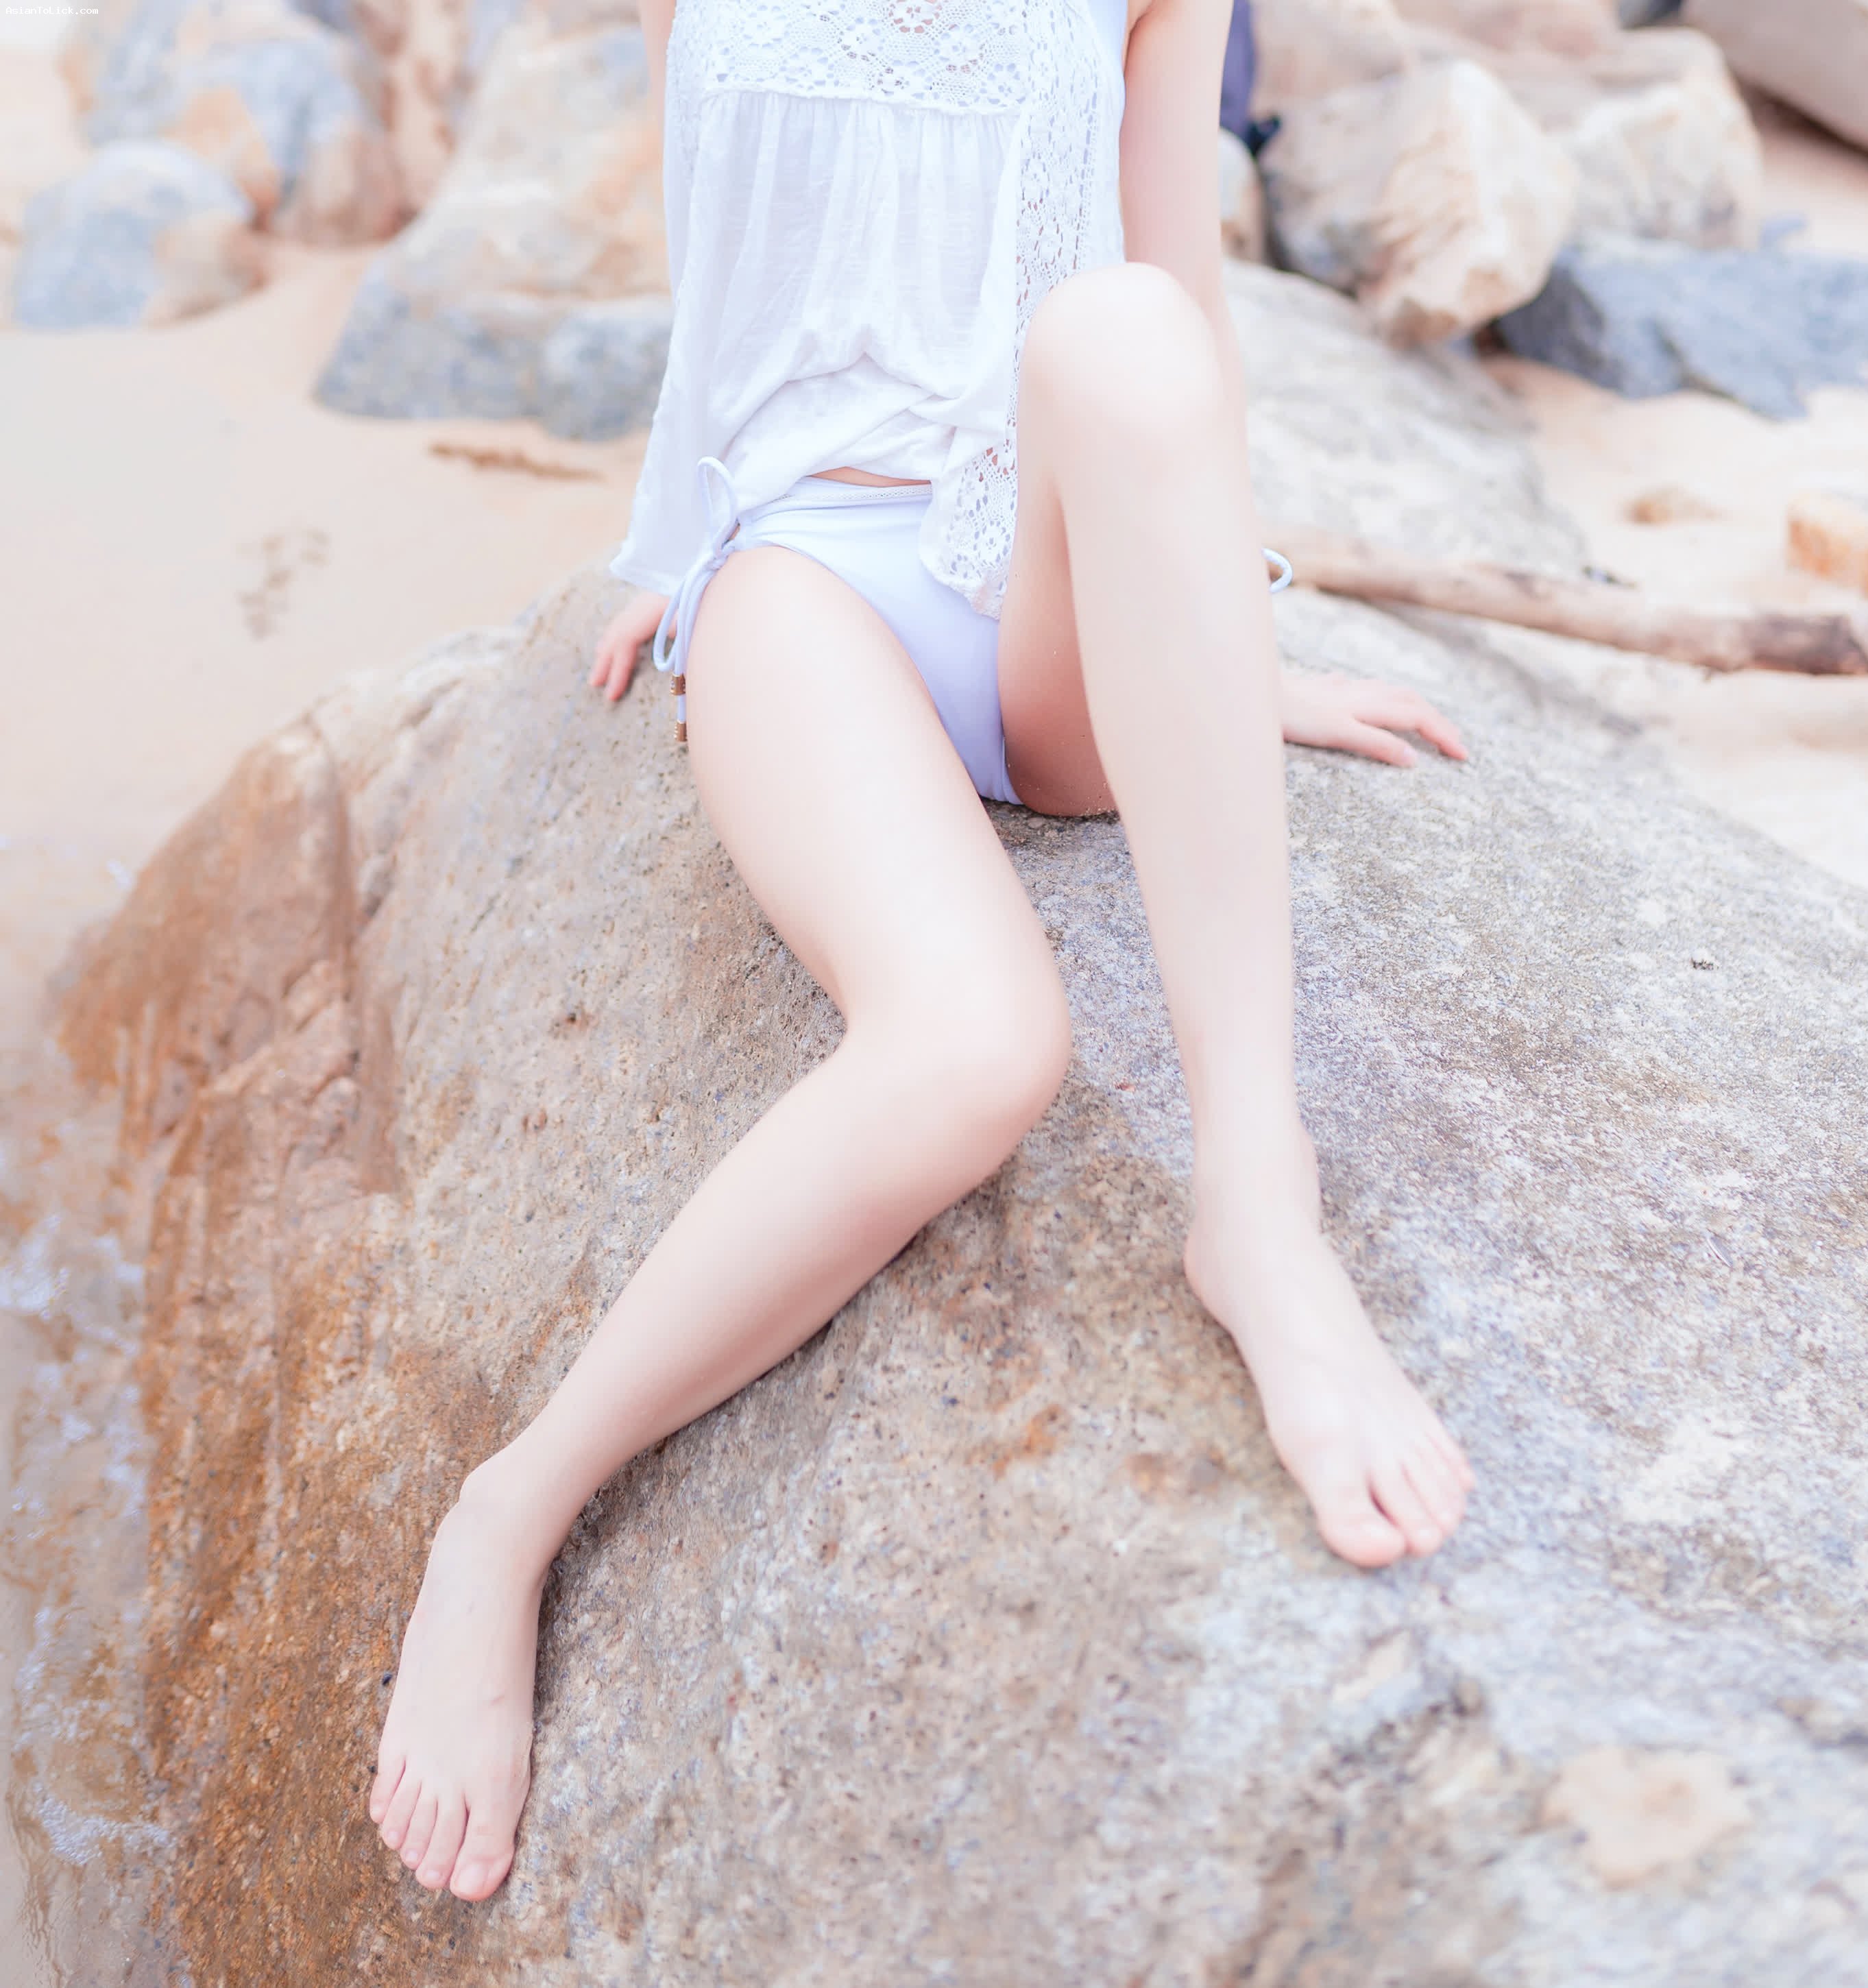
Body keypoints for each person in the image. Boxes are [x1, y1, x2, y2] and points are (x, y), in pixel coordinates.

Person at [367, 0, 1475, 1905]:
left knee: (1118, 328)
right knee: (971, 1045)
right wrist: (670, 545)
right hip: (807, 571)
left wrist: (1224, 647)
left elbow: (1182, 326)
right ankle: (509, 1511)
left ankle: (1257, 1203)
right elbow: (713, 241)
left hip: (1043, 583)